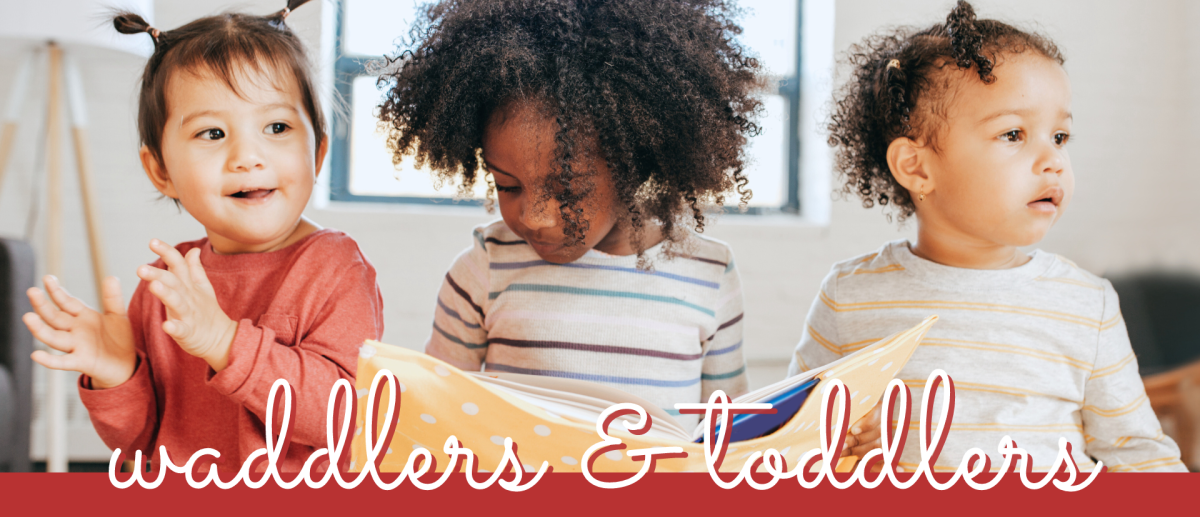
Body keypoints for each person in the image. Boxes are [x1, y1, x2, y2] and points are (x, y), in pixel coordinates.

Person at [791, 1, 1185, 472]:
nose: (1053, 160)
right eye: (1014, 134)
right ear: (916, 167)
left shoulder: (1087, 305)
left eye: (1060, 137)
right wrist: (844, 449)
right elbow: (793, 444)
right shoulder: (848, 298)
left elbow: (1140, 457)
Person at [21, 0, 384, 472]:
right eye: (212, 133)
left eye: (276, 127)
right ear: (161, 171)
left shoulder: (334, 267)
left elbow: (345, 418)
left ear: (316, 154)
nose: (247, 156)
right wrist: (116, 375)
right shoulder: (166, 284)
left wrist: (224, 342)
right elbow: (139, 447)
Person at [378, 0, 761, 426]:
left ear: (633, 163)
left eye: (569, 189)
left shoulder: (709, 274)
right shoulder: (484, 269)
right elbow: (435, 417)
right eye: (507, 185)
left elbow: (730, 438)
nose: (535, 216)